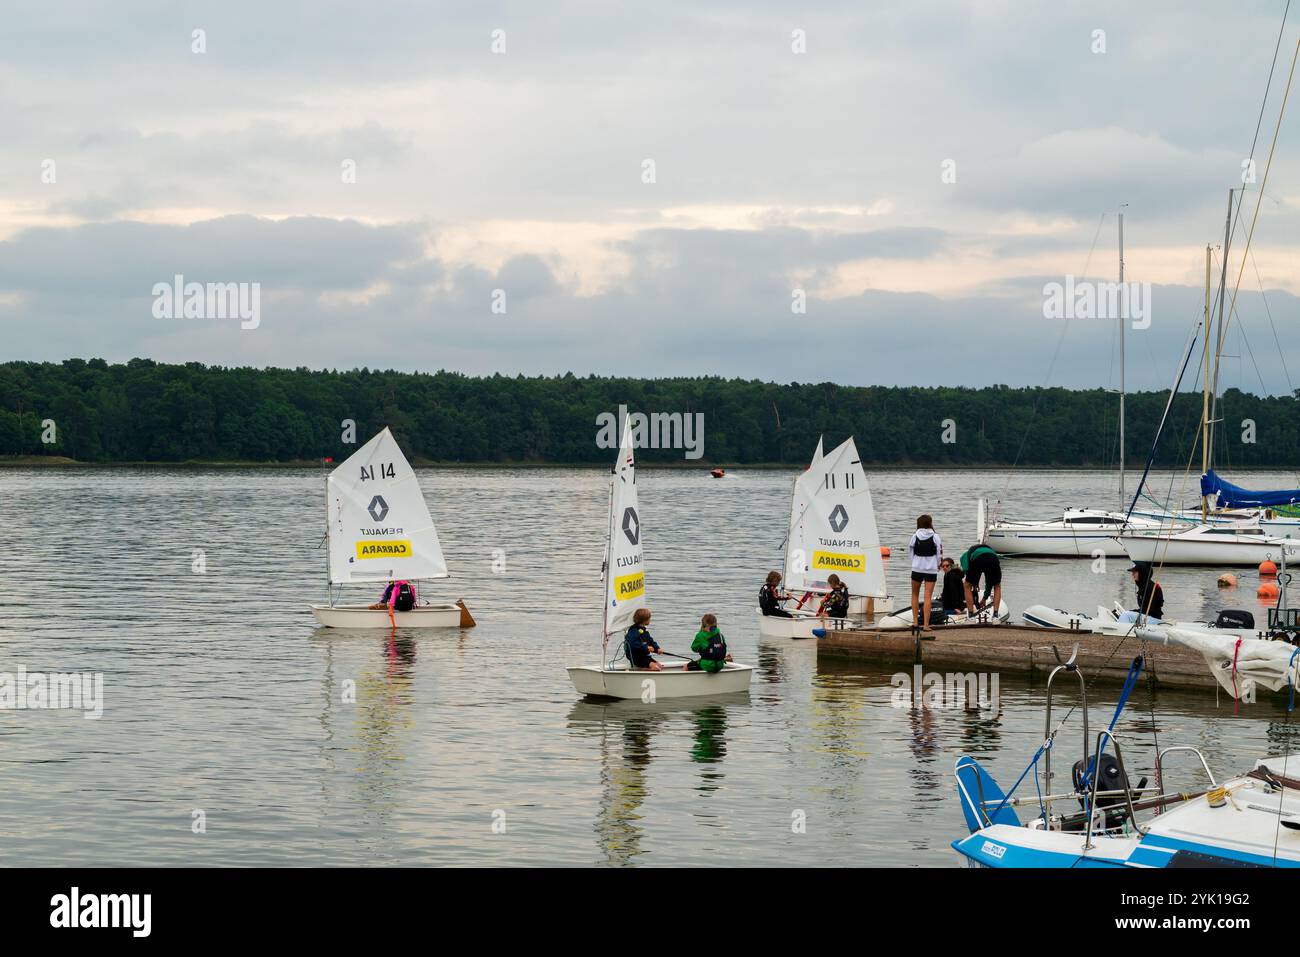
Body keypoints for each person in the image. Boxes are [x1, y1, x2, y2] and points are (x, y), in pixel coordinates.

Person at [907, 515, 942, 630]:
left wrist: (914, 562)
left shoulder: (915, 536)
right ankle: (926, 625)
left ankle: (915, 622)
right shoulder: (935, 536)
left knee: (914, 594)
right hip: (931, 569)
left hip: (917, 568)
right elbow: (939, 553)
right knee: (927, 597)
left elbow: (910, 551)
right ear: (930, 523)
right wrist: (938, 565)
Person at [960, 543, 1002, 619]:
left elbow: (966, 569)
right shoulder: (988, 550)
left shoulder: (964, 557)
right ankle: (995, 615)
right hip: (993, 559)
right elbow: (989, 582)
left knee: (967, 585)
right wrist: (984, 598)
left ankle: (971, 615)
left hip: (978, 558)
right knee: (997, 586)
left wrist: (972, 583)